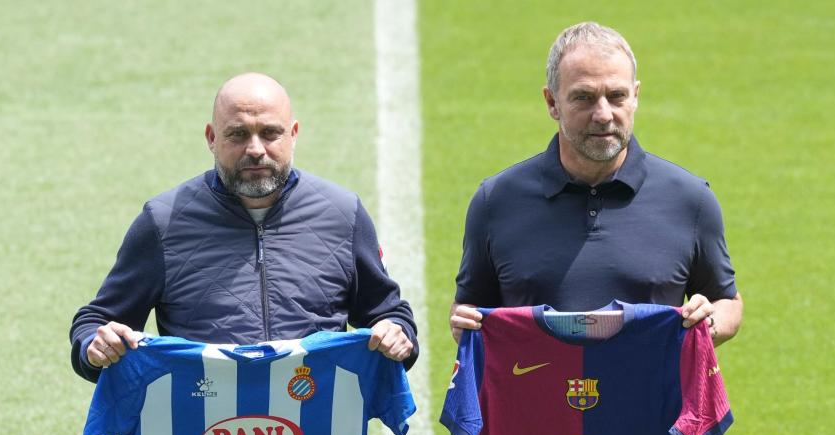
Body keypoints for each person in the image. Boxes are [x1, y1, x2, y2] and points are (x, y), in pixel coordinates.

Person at [71, 72, 416, 381]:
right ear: (211, 137)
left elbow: (388, 314)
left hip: (316, 422)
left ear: (293, 134)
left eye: (270, 133)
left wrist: (396, 332)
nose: (255, 149)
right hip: (201, 424)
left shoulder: (343, 214)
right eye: (237, 134)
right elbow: (95, 321)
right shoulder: (163, 222)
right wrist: (95, 344)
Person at [450, 22, 742, 343]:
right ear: (552, 103)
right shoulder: (496, 202)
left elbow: (726, 301)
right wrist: (464, 322)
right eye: (584, 98)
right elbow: (469, 308)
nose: (603, 114)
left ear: (635, 97)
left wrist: (710, 321)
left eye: (616, 96)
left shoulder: (690, 200)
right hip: (534, 379)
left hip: (649, 379)